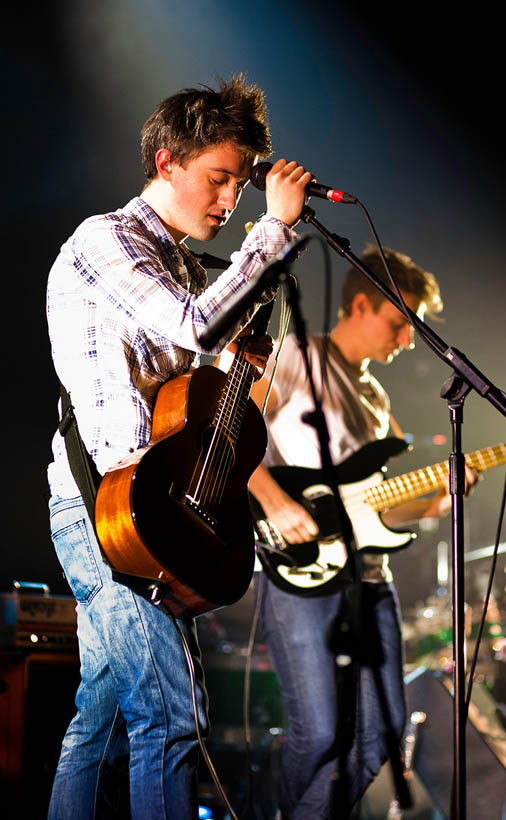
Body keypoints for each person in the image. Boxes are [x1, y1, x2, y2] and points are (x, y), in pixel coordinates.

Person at [46, 75, 312, 819]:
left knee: (97, 727)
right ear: (166, 163)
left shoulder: (188, 265)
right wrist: (275, 229)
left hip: (151, 504)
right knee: (170, 719)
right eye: (216, 179)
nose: (229, 202)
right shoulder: (106, 240)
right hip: (109, 508)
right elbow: (194, 326)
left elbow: (184, 401)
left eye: (239, 184)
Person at [248, 246, 474, 819]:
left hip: (370, 577)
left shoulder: (377, 399)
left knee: (384, 733)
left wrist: (436, 501)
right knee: (320, 732)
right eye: (399, 323)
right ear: (359, 304)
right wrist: (274, 502)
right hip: (301, 571)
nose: (405, 339)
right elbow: (230, 434)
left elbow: (376, 509)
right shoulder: (296, 356)